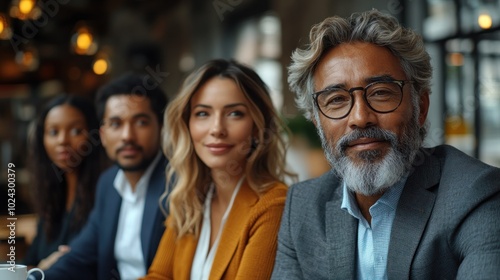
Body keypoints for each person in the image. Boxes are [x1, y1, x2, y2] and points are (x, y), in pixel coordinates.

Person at [271, 9, 500, 280]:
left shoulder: (476, 195)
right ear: (316, 121)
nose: (360, 118)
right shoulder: (303, 206)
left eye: (380, 93)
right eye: (336, 100)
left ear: (421, 107)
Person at [142, 59, 293, 280]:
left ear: (258, 127)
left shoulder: (272, 205)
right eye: (203, 113)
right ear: (188, 124)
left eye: (235, 114)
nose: (216, 129)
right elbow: (159, 276)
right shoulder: (190, 197)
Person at [38, 73, 170, 280]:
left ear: (161, 127)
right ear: (103, 135)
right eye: (116, 124)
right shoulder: (108, 183)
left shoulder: (179, 184)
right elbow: (80, 257)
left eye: (141, 122)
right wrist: (34, 278)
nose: (127, 135)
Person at [25, 95, 105, 270]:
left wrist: (42, 269)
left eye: (76, 131)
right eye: (53, 132)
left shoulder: (105, 194)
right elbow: (30, 262)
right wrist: (42, 267)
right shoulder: (51, 196)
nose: (62, 140)